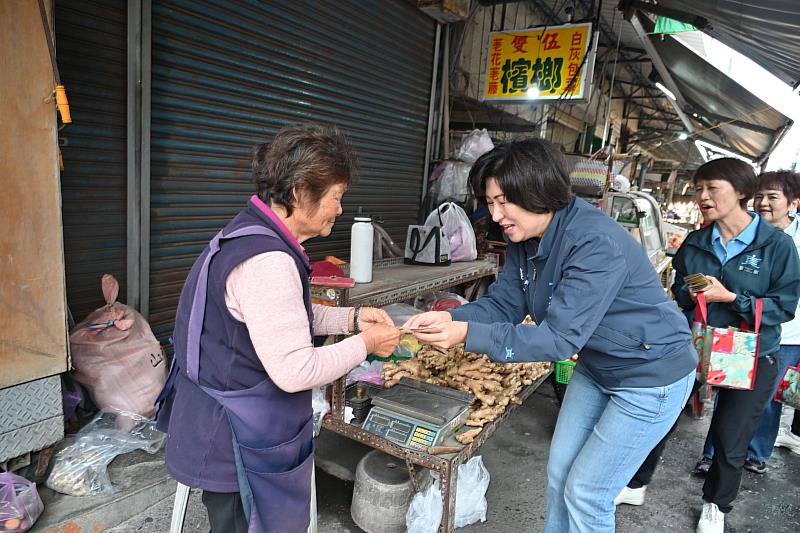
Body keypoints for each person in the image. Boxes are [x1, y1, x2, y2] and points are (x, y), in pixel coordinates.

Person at [404, 138, 697, 532]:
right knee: (560, 472)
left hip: (651, 375)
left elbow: (559, 340)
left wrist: (468, 333)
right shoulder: (525, 238)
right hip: (599, 365)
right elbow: (504, 304)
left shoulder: (594, 242)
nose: (496, 214)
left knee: (588, 492)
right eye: (489, 202)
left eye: (503, 201)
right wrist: (452, 319)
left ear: (539, 190)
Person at [155, 124, 401, 532]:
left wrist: (352, 319)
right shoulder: (268, 261)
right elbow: (295, 370)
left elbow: (285, 317)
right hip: (235, 440)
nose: (340, 209)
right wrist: (367, 342)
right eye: (337, 197)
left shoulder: (250, 232)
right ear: (302, 193)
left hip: (222, 420)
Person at [671, 159, 800, 533]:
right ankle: (635, 483)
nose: (703, 196)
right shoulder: (696, 241)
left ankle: (716, 505)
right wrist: (691, 292)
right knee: (659, 417)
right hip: (697, 347)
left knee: (731, 436)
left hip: (754, 354)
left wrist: (731, 297)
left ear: (743, 191)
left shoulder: (776, 246)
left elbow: (784, 306)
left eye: (712, 187)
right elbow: (680, 291)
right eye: (698, 188)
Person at [691, 170, 800, 476]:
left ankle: (755, 453)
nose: (764, 203)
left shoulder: (784, 244)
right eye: (760, 196)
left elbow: (785, 300)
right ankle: (712, 454)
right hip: (728, 333)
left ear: (793, 202)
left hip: (783, 334)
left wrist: (734, 299)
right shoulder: (730, 234)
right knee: (725, 396)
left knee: (761, 403)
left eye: (773, 197)